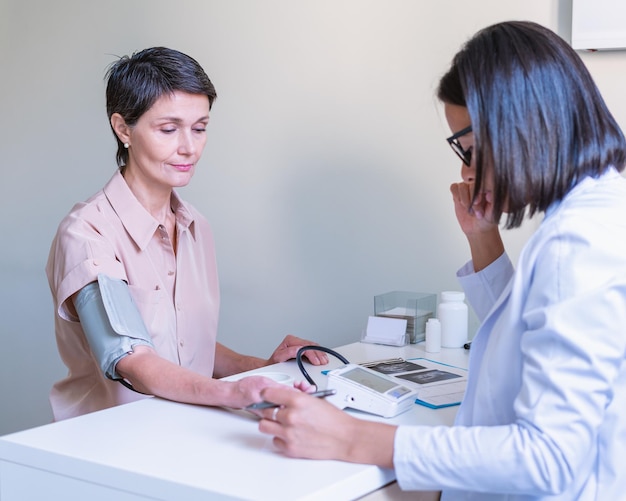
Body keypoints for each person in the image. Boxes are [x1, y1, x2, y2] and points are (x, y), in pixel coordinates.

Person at [256, 21, 626, 500]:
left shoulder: (576, 243)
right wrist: (483, 238)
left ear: (522, 126)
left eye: (471, 151)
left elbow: (547, 459)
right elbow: (528, 330)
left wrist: (351, 438)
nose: (466, 171)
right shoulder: (596, 213)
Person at [46, 47, 327, 422]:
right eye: (168, 129)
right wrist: (232, 393)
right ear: (123, 128)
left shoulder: (196, 227)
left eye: (200, 128)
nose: (189, 148)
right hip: (111, 443)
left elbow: (184, 348)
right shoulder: (87, 234)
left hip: (186, 432)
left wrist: (263, 369)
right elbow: (131, 359)